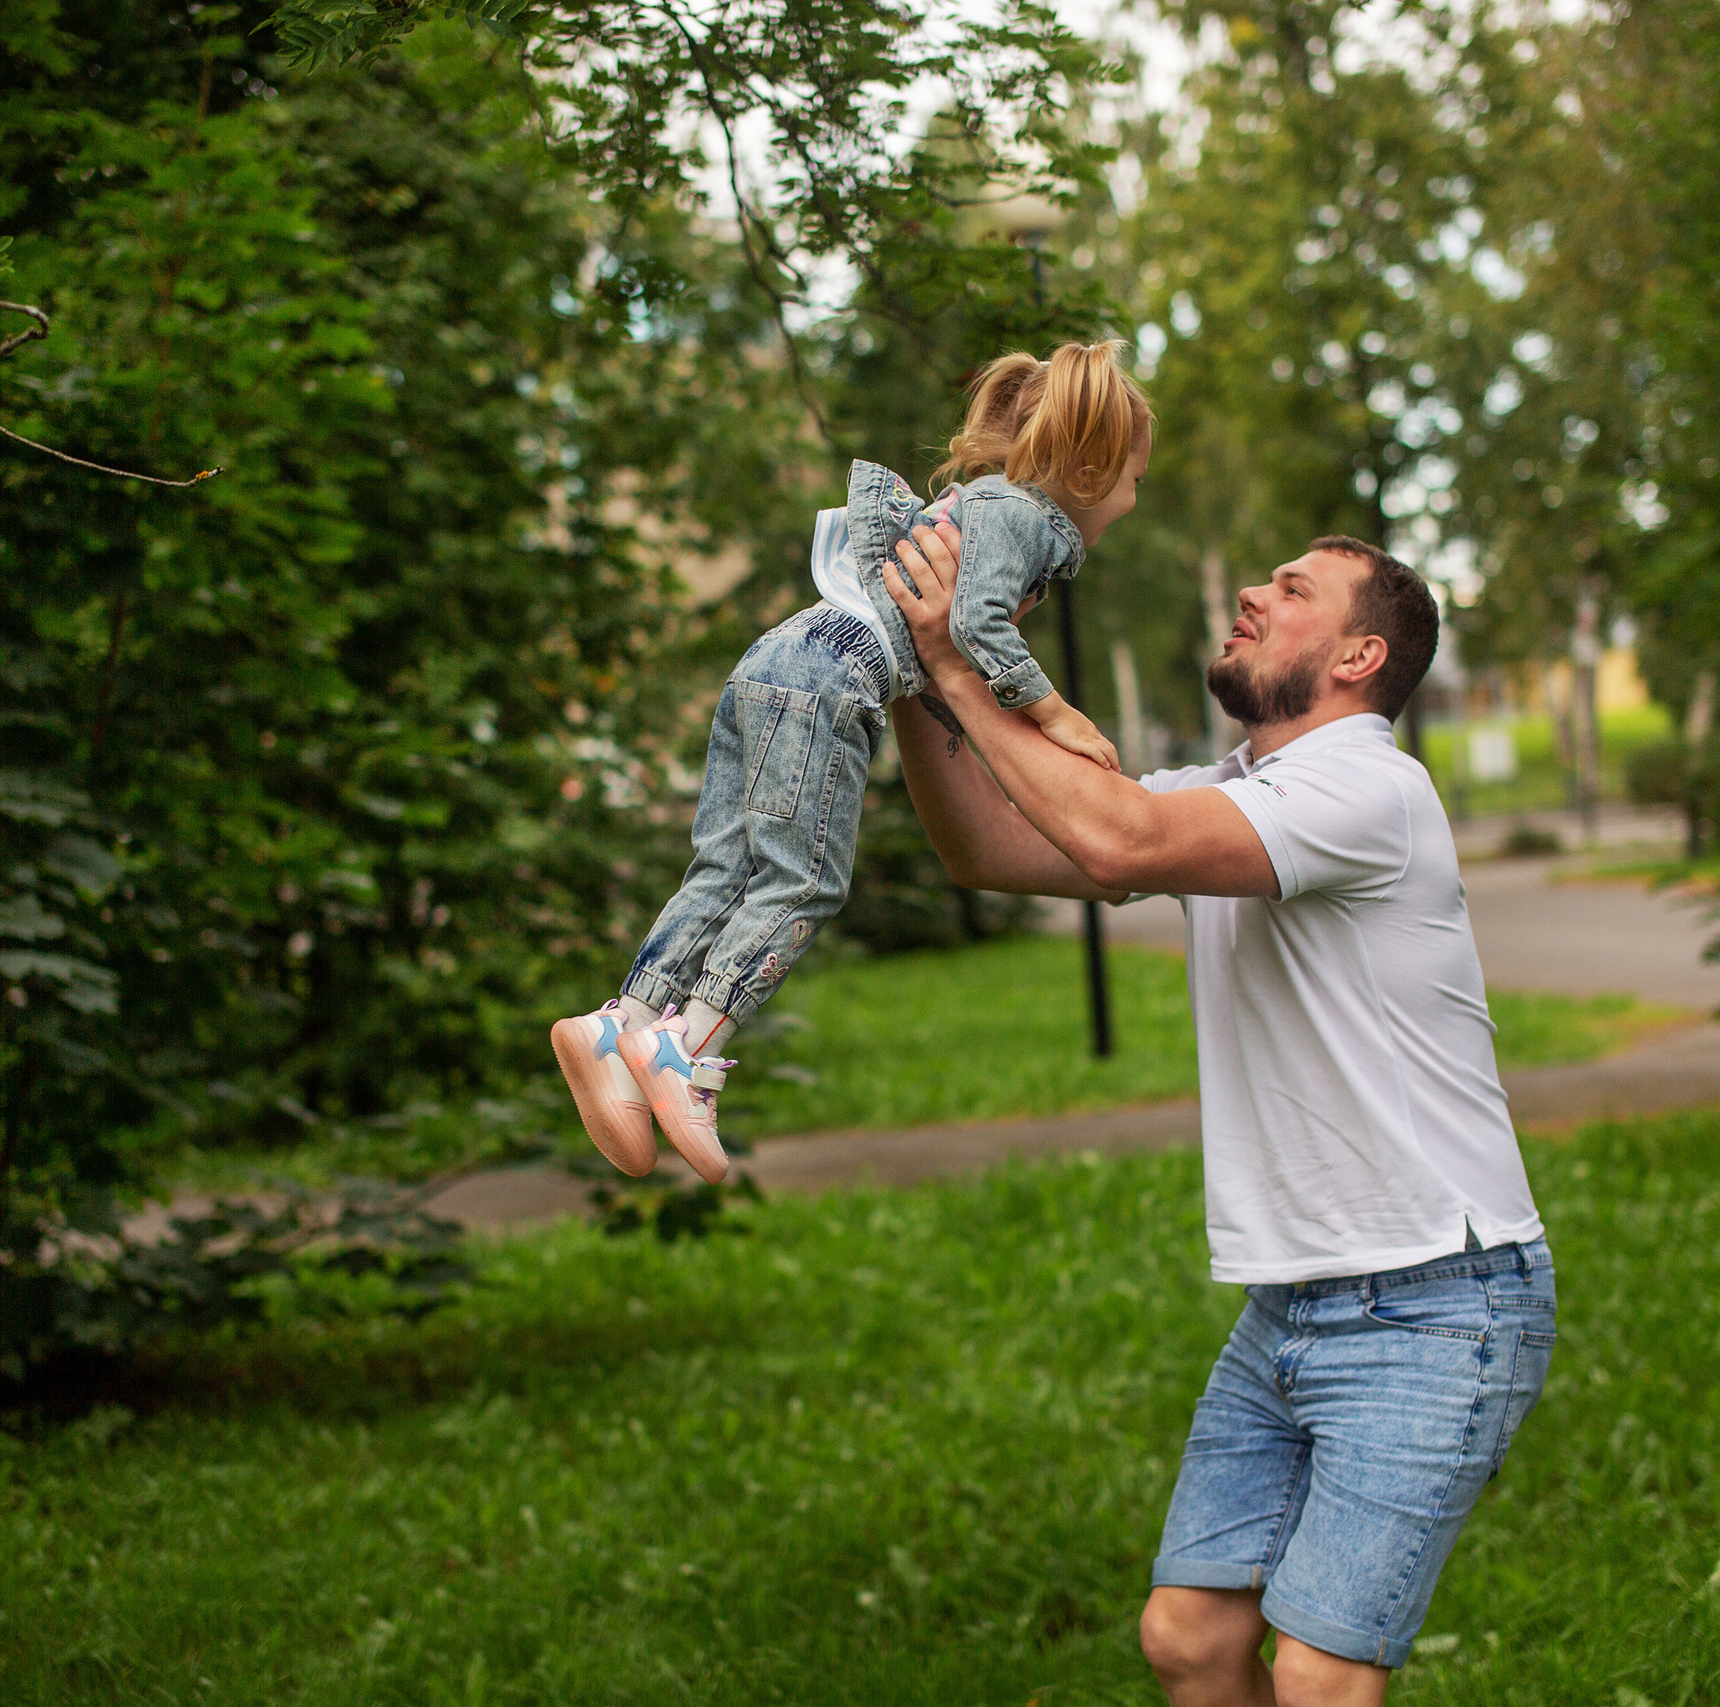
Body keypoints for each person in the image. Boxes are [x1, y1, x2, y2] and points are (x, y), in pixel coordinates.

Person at [876, 519, 1554, 1707]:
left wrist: (956, 664)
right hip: (1291, 1306)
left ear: (1356, 658)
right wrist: (910, 678)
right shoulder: (1235, 792)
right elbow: (988, 847)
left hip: (1436, 1299)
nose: (1250, 589)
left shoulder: (1366, 788)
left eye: (1291, 590)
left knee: (1316, 1678)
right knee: (1189, 1640)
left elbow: (1115, 831)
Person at [549, 342, 1152, 1183]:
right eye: (1134, 477)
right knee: (803, 881)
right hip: (836, 678)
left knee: (728, 864)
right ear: (1089, 469)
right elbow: (977, 628)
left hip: (778, 654)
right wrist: (1054, 713)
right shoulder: (1025, 520)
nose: (1132, 498)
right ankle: (688, 1049)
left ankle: (622, 1023)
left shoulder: (975, 503)